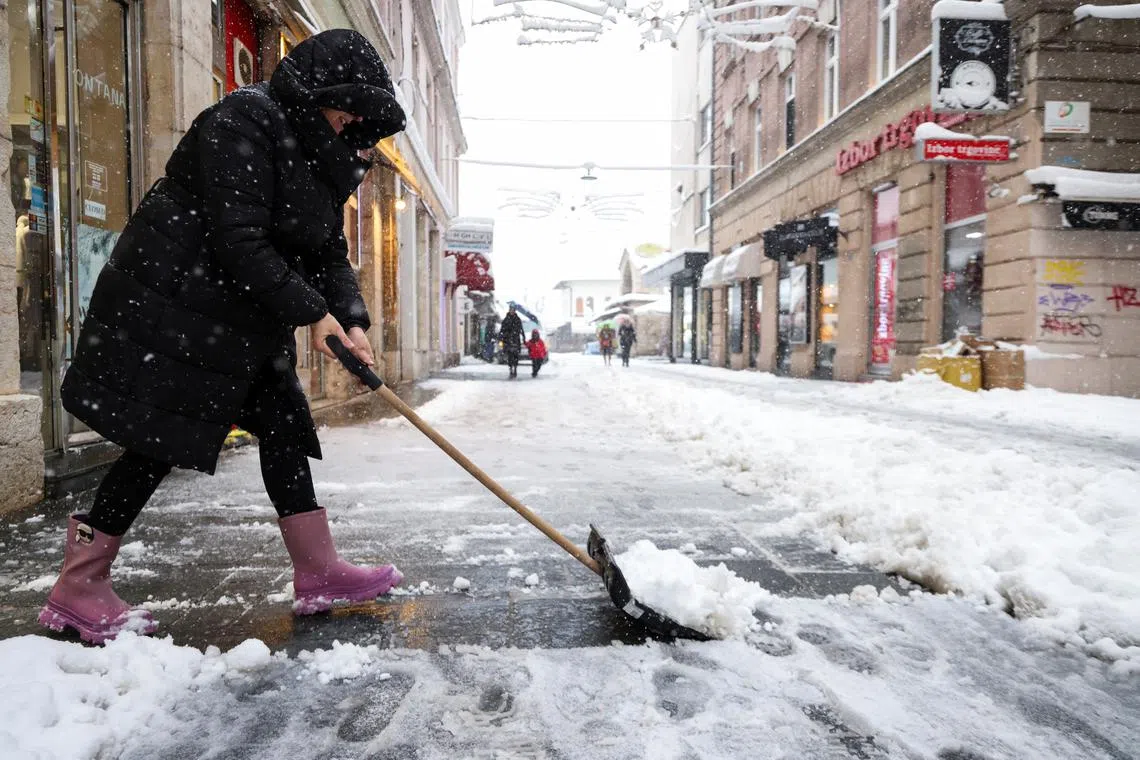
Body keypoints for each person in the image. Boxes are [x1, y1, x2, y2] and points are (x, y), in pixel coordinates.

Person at [38, 30, 408, 645]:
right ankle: (79, 584)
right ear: (318, 95)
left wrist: (351, 319)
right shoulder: (241, 121)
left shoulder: (324, 155)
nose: (352, 124)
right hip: (181, 310)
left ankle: (318, 571)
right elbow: (240, 242)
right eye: (347, 109)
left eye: (361, 118)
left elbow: (326, 248)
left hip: (244, 320)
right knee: (158, 441)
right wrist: (312, 315)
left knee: (286, 427)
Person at [498, 305, 526, 379]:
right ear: (509, 310)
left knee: (516, 356)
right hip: (508, 340)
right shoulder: (506, 319)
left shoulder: (517, 319)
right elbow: (502, 330)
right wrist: (501, 337)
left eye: (513, 310)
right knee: (510, 356)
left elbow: (521, 329)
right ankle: (511, 369)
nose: (512, 311)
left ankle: (515, 368)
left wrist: (523, 337)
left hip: (516, 339)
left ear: (514, 311)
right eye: (511, 310)